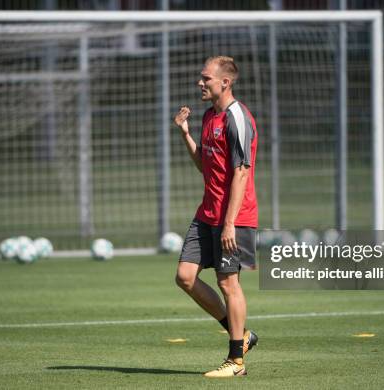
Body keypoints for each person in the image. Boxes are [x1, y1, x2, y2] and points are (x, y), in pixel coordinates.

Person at [173, 56, 259, 378]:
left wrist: (230, 223)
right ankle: (243, 336)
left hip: (234, 217)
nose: (200, 83)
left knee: (228, 282)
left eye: (206, 78)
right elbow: (206, 167)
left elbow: (241, 173)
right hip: (207, 212)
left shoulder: (238, 118)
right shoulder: (210, 116)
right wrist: (185, 134)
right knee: (185, 276)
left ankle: (236, 362)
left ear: (225, 82)